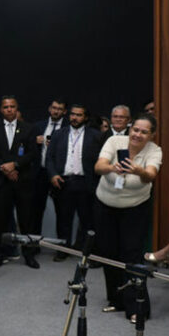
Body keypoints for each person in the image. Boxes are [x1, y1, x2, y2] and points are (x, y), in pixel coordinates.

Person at [94, 114, 162, 321]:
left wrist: (138, 170)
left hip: (135, 208)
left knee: (131, 255)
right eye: (135, 130)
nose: (137, 134)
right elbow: (98, 167)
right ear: (130, 129)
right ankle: (116, 300)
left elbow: (150, 175)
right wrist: (112, 167)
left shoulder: (154, 150)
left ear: (152, 135)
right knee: (108, 253)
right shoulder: (115, 141)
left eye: (143, 132)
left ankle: (137, 307)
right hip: (105, 205)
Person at [0, 95, 40, 269]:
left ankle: (29, 255)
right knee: (0, 220)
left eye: (12, 106)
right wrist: (4, 168)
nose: (9, 109)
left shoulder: (28, 129)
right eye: (6, 107)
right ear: (1, 110)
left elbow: (32, 154)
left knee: (26, 221)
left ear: (17, 109)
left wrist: (15, 165)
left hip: (22, 181)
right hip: (1, 181)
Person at [45, 104, 101, 260]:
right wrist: (53, 175)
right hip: (63, 182)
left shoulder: (95, 136)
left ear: (86, 118)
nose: (74, 118)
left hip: (85, 183)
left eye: (79, 115)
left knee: (87, 220)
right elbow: (49, 158)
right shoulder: (58, 134)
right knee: (63, 219)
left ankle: (87, 251)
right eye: (72, 114)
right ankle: (63, 250)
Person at [30, 99, 66, 236]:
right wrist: (35, 142)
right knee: (36, 211)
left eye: (60, 108)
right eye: (54, 107)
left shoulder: (68, 128)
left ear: (64, 112)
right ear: (49, 109)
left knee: (62, 211)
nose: (56, 111)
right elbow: (26, 148)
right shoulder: (38, 126)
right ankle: (34, 244)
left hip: (59, 174)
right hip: (40, 173)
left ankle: (62, 248)